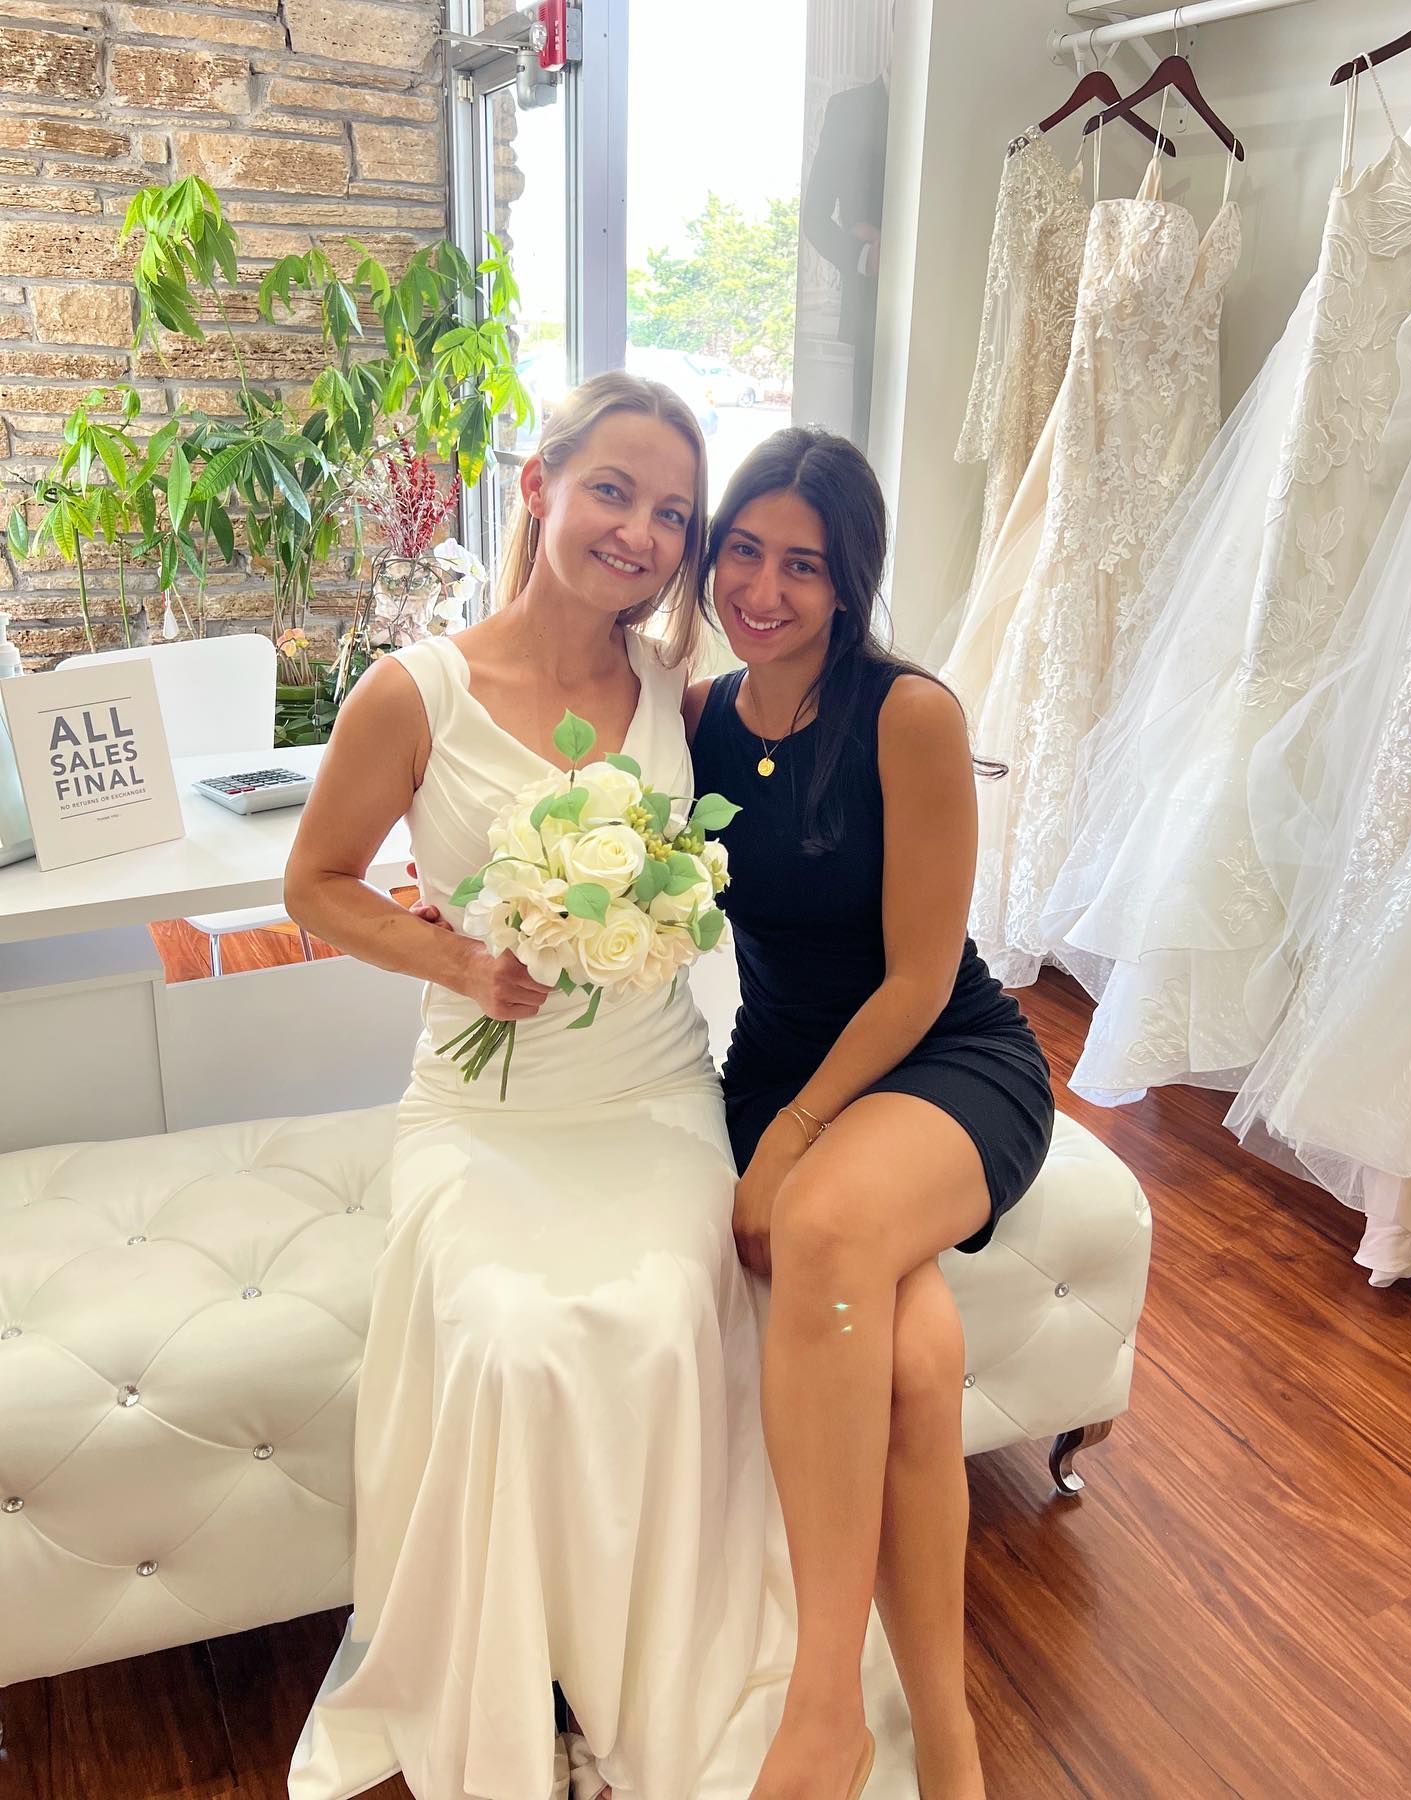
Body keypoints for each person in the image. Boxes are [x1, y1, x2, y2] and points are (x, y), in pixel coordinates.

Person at [282, 374, 770, 1800]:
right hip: (484, 1113)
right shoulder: (416, 690)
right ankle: (512, 1684)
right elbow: (313, 885)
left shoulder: (688, 696)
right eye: (614, 490)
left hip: (653, 1099)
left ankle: (640, 1674)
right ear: (541, 485)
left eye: (673, 511)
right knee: (504, 1338)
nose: (642, 531)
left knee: (668, 1312)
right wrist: (453, 964)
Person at [685, 427, 1056, 1800]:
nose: (766, 589)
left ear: (850, 584)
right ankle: (948, 1740)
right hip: (781, 1060)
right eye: (744, 552)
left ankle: (826, 1708)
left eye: (806, 565)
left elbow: (915, 979)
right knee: (911, 1370)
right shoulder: (702, 715)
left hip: (942, 1059)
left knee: (830, 1222)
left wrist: (791, 1139)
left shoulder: (911, 714)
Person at [800, 38, 890, 447]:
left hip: (941, 302)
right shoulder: (847, 108)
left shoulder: (949, 103)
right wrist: (864, 256)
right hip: (870, 310)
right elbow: (814, 218)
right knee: (871, 445)